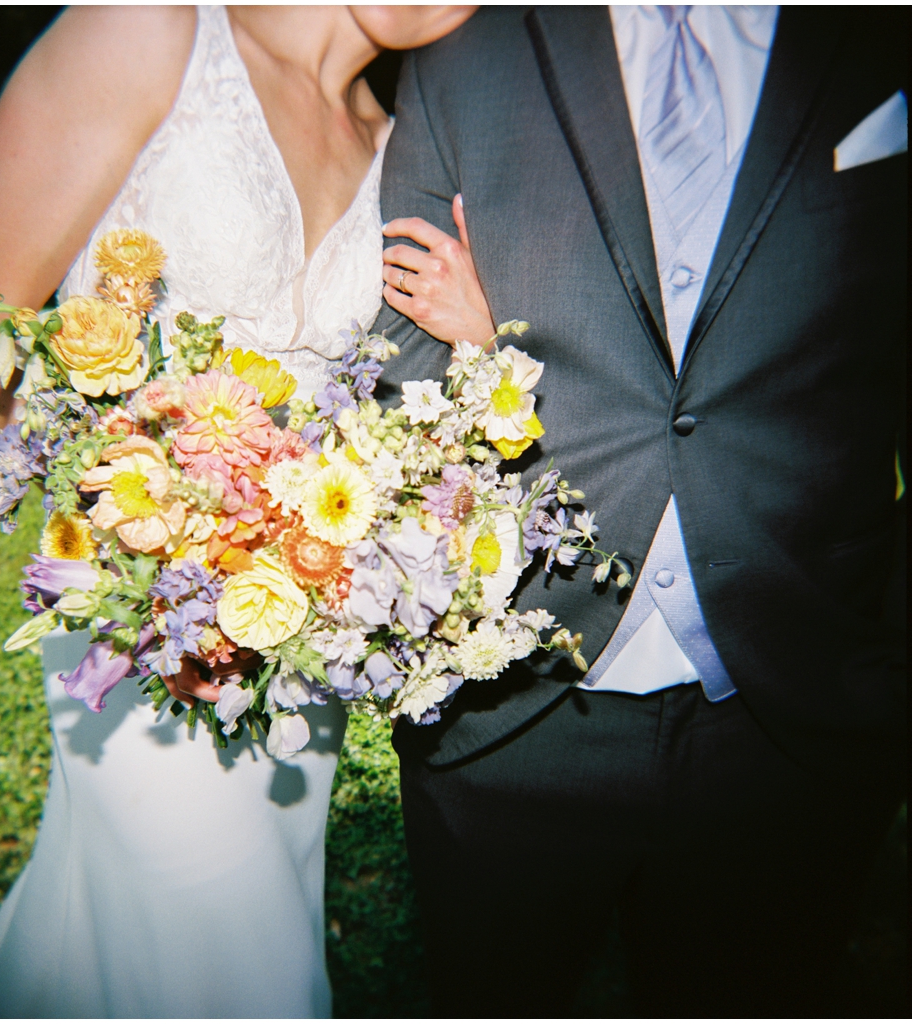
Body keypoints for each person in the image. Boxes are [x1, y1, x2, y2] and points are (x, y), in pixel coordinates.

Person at [0, 5, 480, 1017]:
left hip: (294, 633)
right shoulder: (151, 29)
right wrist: (138, 528)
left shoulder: (404, 142)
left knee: (154, 937)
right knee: (231, 956)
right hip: (137, 617)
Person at [376, 5, 909, 1017]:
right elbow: (397, 363)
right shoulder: (466, 36)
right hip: (512, 711)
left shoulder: (885, 35)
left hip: (799, 710)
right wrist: (493, 370)